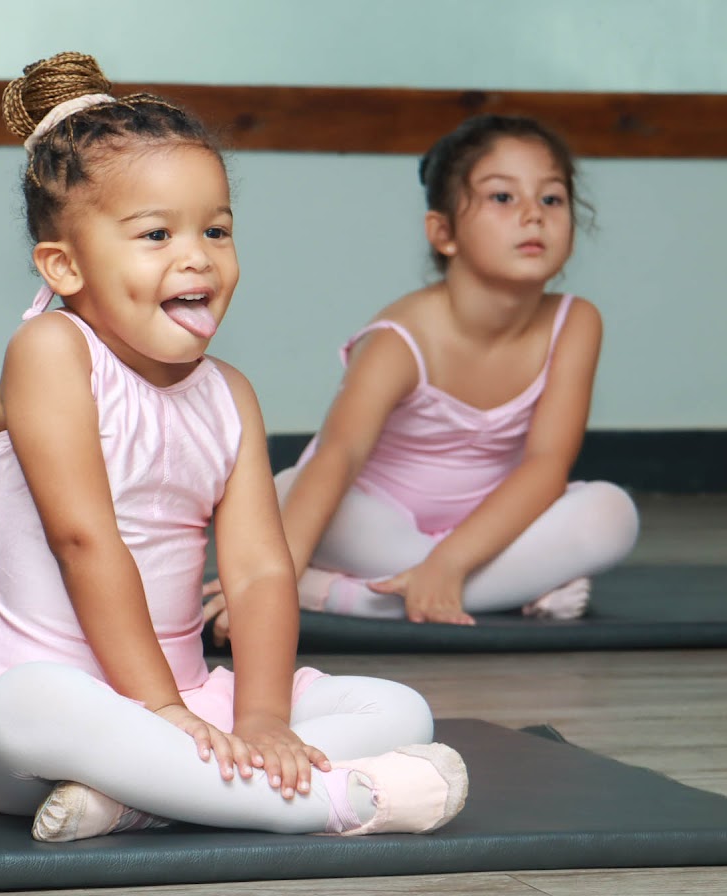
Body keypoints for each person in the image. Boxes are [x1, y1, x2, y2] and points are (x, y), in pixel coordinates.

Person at [0, 52, 467, 843]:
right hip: (66, 709)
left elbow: (260, 569)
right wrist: (156, 713)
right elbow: (84, 540)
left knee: (401, 709)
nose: (197, 255)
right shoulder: (52, 352)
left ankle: (142, 799)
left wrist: (262, 718)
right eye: (156, 234)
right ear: (65, 266)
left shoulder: (229, 395)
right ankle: (333, 804)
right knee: (26, 710)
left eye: (216, 230)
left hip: (193, 703)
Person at [205, 114, 639, 643]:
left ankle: (365, 595)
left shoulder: (575, 322)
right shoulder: (400, 338)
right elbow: (337, 456)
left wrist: (452, 560)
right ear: (444, 233)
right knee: (287, 491)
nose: (533, 215)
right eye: (503, 198)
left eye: (551, 199)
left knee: (612, 515)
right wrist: (271, 582)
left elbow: (546, 467)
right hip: (374, 524)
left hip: (487, 527)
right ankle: (494, 588)